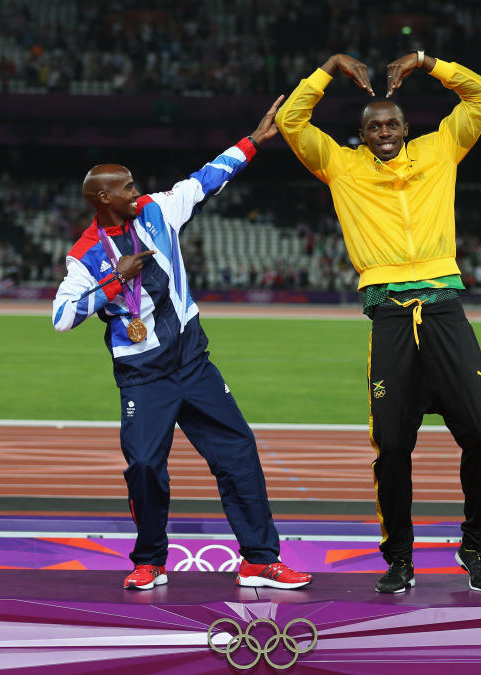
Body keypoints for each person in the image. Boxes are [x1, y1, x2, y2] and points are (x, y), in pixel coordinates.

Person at [52, 96, 311, 592]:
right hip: (143, 375)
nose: (136, 191)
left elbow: (207, 178)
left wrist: (253, 141)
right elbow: (62, 318)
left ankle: (260, 558)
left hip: (192, 361)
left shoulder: (157, 211)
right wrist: (111, 284)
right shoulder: (85, 255)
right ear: (102, 198)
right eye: (126, 187)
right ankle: (149, 559)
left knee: (238, 451)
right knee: (146, 465)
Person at [276, 51, 481, 593]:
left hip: (444, 307)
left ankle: (475, 546)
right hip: (390, 317)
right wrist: (327, 68)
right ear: (360, 134)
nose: (384, 132)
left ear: (407, 127)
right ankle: (399, 557)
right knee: (393, 447)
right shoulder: (340, 166)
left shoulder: (440, 149)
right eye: (374, 126)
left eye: (392, 124)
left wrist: (427, 63)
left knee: (480, 435)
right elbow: (291, 121)